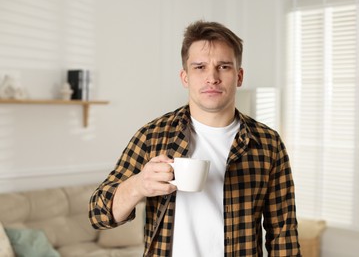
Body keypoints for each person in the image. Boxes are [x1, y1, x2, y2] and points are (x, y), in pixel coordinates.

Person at [89, 20, 301, 257]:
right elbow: (98, 215)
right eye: (199, 67)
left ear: (239, 76)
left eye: (224, 67)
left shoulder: (268, 144)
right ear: (185, 77)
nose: (212, 77)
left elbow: (284, 236)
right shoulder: (153, 135)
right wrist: (139, 185)